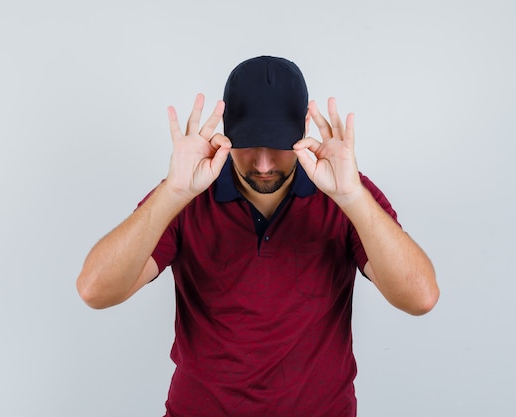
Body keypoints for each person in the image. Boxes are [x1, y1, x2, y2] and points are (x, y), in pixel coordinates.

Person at [76, 56, 439, 417]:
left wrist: (352, 198)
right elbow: (96, 290)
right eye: (249, 144)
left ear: (301, 135)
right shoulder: (185, 193)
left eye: (278, 145)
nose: (263, 164)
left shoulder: (348, 193)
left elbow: (419, 298)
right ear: (226, 136)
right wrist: (172, 192)